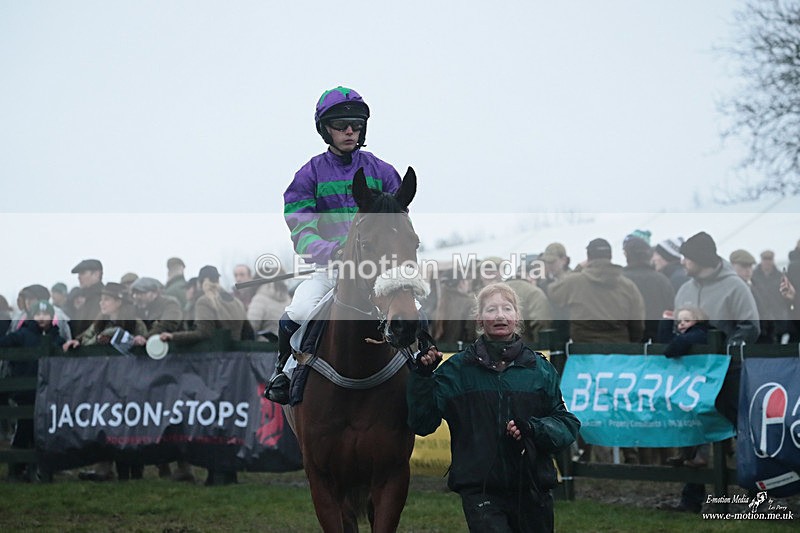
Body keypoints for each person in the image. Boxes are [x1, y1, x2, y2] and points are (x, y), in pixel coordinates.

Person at [265, 85, 402, 403]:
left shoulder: (382, 171)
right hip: (330, 270)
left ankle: (424, 370)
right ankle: (283, 373)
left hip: (378, 270)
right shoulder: (309, 175)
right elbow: (301, 230)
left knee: (417, 311)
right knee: (298, 310)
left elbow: (397, 222)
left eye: (356, 125)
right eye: (341, 126)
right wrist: (333, 251)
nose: (350, 131)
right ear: (325, 129)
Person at [407, 282, 580, 533]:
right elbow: (422, 423)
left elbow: (567, 425)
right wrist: (422, 377)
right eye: (491, 310)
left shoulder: (540, 369)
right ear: (479, 318)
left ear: (517, 317)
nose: (500, 315)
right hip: (481, 492)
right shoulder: (456, 370)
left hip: (533, 487)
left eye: (507, 309)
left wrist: (533, 428)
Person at [62, 282, 147, 482]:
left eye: (107, 299)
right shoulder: (99, 323)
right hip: (105, 382)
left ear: (119, 302)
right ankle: (105, 467)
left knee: (130, 423)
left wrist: (139, 342)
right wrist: (77, 342)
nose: (102, 302)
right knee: (107, 423)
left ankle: (133, 470)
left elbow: (142, 343)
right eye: (102, 299)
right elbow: (85, 338)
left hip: (129, 382)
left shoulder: (135, 323)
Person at [0, 300, 65, 480]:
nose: (42, 318)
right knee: (24, 429)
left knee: (44, 430)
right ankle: (16, 468)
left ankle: (42, 468)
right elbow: (5, 343)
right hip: (25, 393)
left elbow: (63, 349)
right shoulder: (22, 335)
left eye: (46, 314)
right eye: (38, 314)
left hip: (48, 392)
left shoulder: (56, 337)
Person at [660, 306, 712, 513]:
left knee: (702, 429)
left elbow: (670, 349)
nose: (681, 325)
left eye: (686, 321)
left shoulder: (699, 335)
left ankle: (696, 457)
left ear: (698, 322)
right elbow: (664, 343)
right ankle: (691, 499)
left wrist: (675, 339)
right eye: (679, 321)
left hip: (702, 391)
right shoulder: (688, 335)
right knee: (690, 429)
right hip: (688, 391)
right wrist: (666, 321)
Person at [160, 265, 253, 347]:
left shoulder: (204, 301)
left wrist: (173, 336)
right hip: (235, 359)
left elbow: (203, 333)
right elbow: (248, 332)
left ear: (199, 283)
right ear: (218, 280)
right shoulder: (237, 302)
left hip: (214, 358)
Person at [621, 234, 674, 343]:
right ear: (649, 255)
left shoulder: (619, 280)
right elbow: (671, 312)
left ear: (626, 254)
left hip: (626, 343)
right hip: (657, 343)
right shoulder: (662, 280)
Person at [66, 258, 104, 337]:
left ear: (96, 274)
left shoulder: (103, 297)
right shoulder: (81, 298)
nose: (79, 277)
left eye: (83, 273)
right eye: (78, 274)